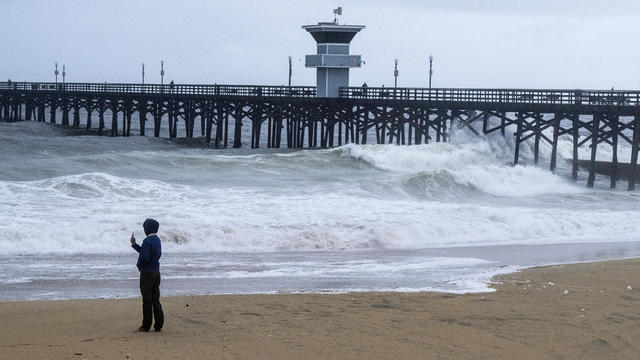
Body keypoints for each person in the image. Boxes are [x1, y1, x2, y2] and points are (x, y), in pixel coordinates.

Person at [130, 218, 164, 332]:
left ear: (147, 229)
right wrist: (134, 245)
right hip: (156, 272)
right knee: (156, 299)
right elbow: (149, 253)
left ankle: (146, 325)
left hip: (147, 274)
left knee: (147, 300)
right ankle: (159, 324)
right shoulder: (157, 240)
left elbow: (144, 257)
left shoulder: (147, 241)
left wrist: (139, 266)